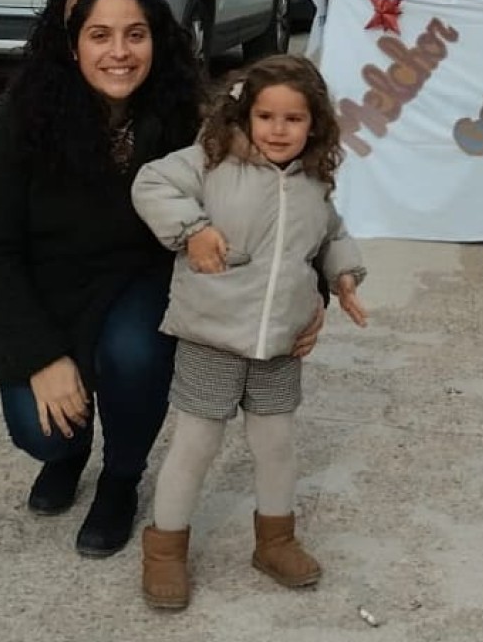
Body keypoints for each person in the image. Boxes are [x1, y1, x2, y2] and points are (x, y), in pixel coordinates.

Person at [0, 0, 324, 558]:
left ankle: (120, 480)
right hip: (46, 291)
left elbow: (284, 195)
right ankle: (71, 453)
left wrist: (316, 293)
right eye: (100, 35)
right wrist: (41, 357)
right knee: (43, 436)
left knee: (134, 353)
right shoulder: (18, 119)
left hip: (142, 281)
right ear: (71, 44)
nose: (120, 53)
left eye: (136, 34)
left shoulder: (190, 115)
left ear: (158, 38)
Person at [131, 56, 367, 611]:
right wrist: (193, 230)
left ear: (315, 125)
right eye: (266, 116)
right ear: (244, 115)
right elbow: (150, 183)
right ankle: (164, 549)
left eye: (293, 119)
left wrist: (346, 274)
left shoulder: (313, 181)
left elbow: (331, 233)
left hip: (279, 344)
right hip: (212, 335)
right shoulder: (212, 162)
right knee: (196, 443)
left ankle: (275, 540)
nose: (278, 130)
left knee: (276, 444)